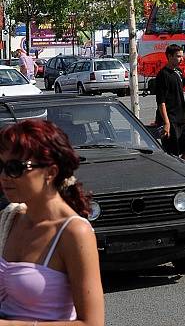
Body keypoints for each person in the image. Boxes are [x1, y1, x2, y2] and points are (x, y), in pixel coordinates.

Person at [0, 118, 104, 325]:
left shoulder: (74, 232)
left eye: (14, 167)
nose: (4, 176)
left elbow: (92, 323)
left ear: (51, 172)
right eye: (1, 166)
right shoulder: (11, 217)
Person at [155, 44, 185, 161]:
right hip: (170, 120)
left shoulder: (178, 72)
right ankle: (172, 175)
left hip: (182, 120)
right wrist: (166, 123)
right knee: (172, 154)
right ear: (169, 56)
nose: (181, 59)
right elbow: (161, 101)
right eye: (178, 56)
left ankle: (181, 169)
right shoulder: (163, 75)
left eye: (182, 56)